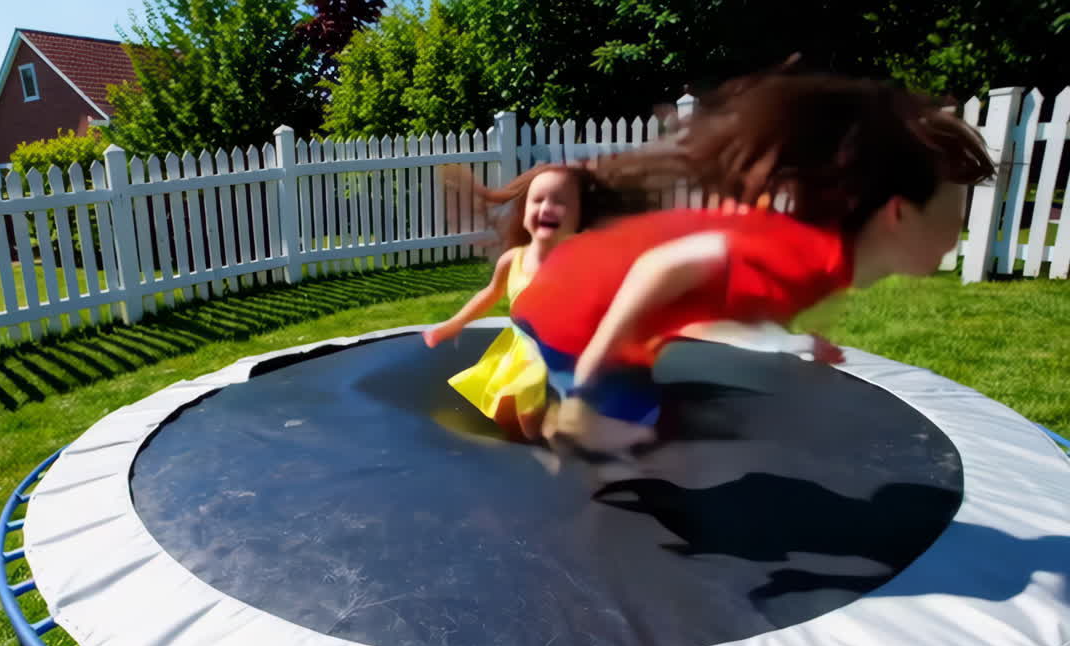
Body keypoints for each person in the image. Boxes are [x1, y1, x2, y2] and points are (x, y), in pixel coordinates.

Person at [508, 62, 996, 456]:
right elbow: (664, 267)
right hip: (567, 313)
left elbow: (720, 302)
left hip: (578, 305)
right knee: (624, 438)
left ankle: (578, 422)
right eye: (955, 213)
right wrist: (596, 364)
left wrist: (789, 341)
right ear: (898, 214)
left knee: (637, 426)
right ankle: (570, 431)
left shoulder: (822, 257)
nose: (960, 232)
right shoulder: (811, 257)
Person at [423, 163, 633, 441]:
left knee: (530, 410)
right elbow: (490, 293)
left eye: (560, 202)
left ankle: (551, 448)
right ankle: (530, 447)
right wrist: (453, 324)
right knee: (505, 414)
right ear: (523, 214)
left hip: (557, 355)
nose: (546, 208)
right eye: (538, 200)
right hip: (520, 350)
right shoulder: (513, 260)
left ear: (580, 215)